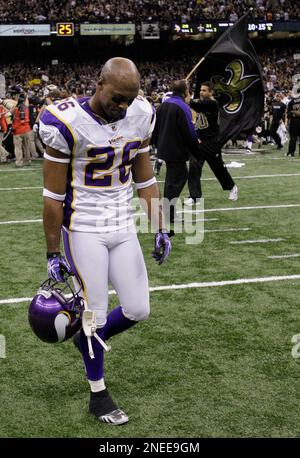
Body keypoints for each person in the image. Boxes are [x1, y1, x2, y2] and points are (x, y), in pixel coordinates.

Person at [39, 57, 172, 426]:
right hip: (83, 227)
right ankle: (98, 392)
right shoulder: (64, 121)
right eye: (117, 98)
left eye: (130, 99)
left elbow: (144, 175)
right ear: (99, 84)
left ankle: (86, 339)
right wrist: (52, 250)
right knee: (94, 311)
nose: (123, 107)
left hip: (122, 224)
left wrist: (159, 223)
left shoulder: (141, 113)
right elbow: (52, 195)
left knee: (138, 308)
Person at [152, 79, 202, 222]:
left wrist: (157, 144)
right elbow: (189, 131)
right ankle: (168, 212)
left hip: (164, 148)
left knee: (172, 179)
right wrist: (196, 150)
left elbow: (155, 128)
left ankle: (167, 210)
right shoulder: (182, 106)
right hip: (176, 150)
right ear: (185, 91)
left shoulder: (163, 105)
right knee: (178, 179)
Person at [188, 81, 238, 202]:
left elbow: (192, 103)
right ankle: (195, 197)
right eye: (200, 90)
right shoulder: (203, 103)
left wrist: (183, 90)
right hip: (200, 141)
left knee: (218, 168)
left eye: (204, 90)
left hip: (212, 142)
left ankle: (232, 187)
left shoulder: (212, 103)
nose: (201, 92)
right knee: (194, 167)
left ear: (211, 92)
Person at [286, 92, 300, 157]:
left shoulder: (291, 102)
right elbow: (288, 114)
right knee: (293, 138)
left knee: (293, 138)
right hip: (294, 121)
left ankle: (291, 152)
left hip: (294, 121)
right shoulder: (291, 102)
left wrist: (293, 112)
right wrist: (295, 113)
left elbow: (288, 114)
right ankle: (291, 152)